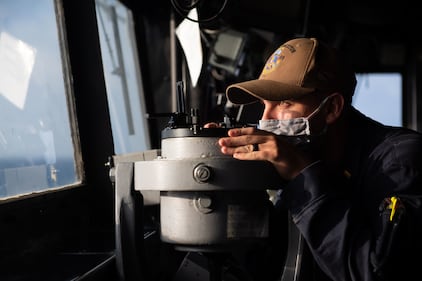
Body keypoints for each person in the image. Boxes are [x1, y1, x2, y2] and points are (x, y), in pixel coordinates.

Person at [209, 37, 422, 280]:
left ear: (332, 108)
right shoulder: (307, 159)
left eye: (284, 102)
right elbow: (265, 266)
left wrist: (303, 176)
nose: (266, 118)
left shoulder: (400, 161)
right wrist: (239, 182)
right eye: (264, 104)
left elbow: (376, 272)